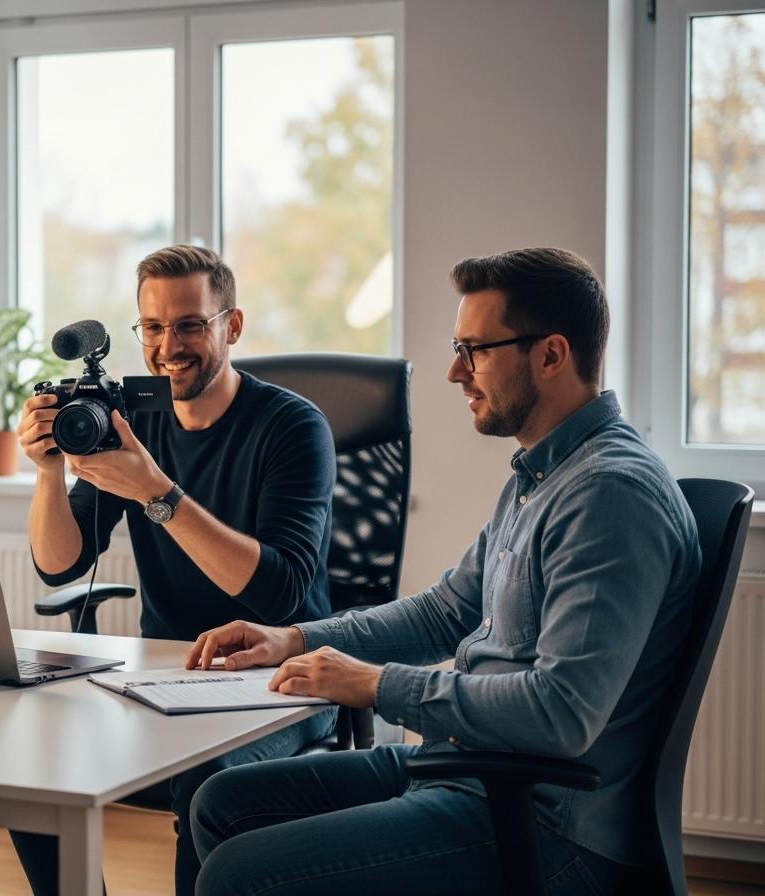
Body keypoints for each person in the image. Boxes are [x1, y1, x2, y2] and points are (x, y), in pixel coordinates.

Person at [185, 247, 701, 895]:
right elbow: (445, 611)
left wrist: (377, 684)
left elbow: (561, 714)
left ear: (551, 354)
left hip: (544, 824)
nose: (455, 372)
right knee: (223, 801)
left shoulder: (608, 494)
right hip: (472, 770)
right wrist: (295, 638)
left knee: (240, 875)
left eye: (475, 350)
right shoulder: (541, 476)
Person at [13, 244, 338, 895]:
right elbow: (60, 563)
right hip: (165, 672)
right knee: (32, 772)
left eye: (190, 324)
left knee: (207, 784)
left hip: (281, 678)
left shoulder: (293, 427)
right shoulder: (135, 421)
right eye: (153, 328)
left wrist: (157, 492)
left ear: (232, 325)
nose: (169, 346)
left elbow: (278, 593)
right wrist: (48, 473)